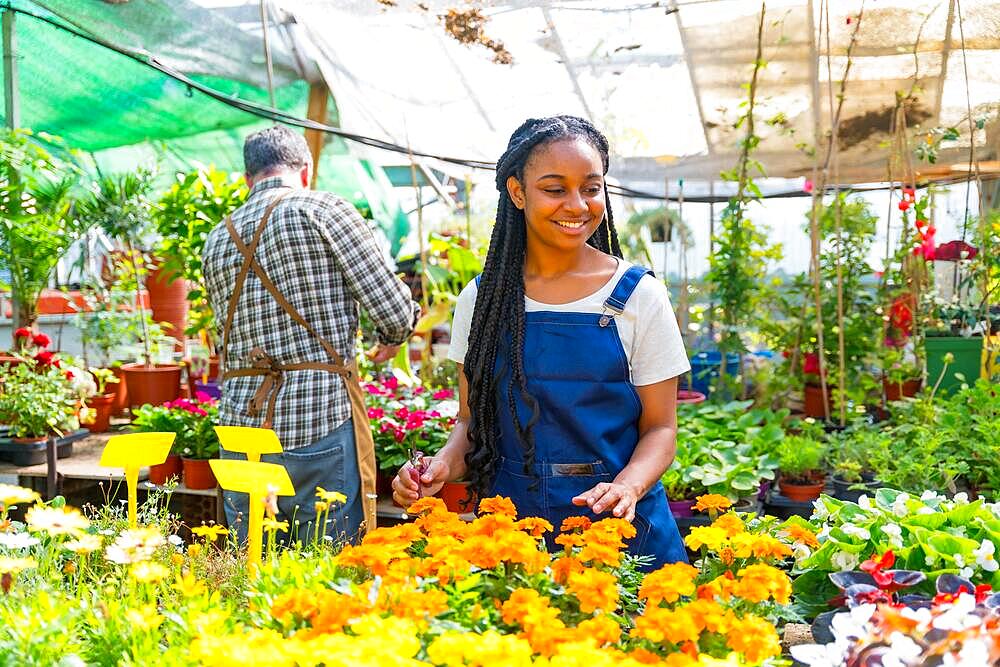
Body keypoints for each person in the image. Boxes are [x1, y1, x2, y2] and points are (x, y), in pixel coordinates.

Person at [392, 116, 691, 569]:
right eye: (555, 189)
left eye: (591, 188)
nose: (578, 204)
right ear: (517, 192)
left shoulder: (638, 296)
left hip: (620, 534)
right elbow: (472, 425)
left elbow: (661, 430)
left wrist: (628, 486)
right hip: (512, 535)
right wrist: (438, 468)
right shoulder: (483, 301)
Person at [204, 125, 419, 546]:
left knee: (254, 570)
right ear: (306, 170)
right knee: (327, 573)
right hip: (317, 415)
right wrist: (390, 336)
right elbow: (393, 311)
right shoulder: (323, 210)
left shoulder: (217, 237)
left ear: (248, 178)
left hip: (241, 428)